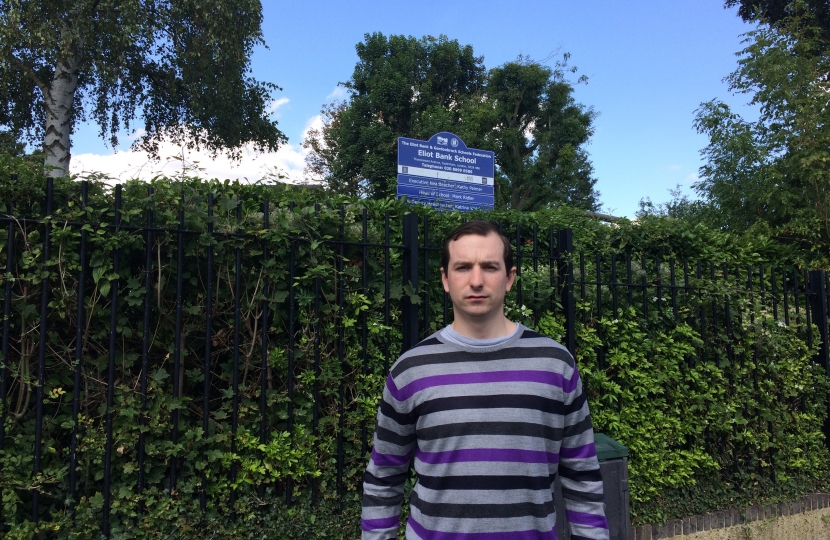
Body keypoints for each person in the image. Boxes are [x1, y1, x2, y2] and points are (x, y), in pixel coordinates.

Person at [361, 220, 609, 540]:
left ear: (509, 278)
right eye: (463, 267)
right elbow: (383, 478)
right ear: (445, 279)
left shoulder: (555, 365)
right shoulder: (411, 370)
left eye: (489, 267)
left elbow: (582, 475)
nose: (476, 281)